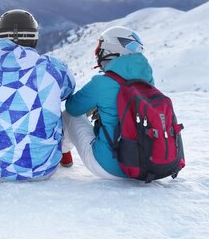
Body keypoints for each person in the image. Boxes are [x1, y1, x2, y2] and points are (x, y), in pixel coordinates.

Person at [0, 9, 75, 182]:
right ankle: (64, 154)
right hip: (45, 170)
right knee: (63, 113)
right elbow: (68, 91)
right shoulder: (55, 68)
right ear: (34, 37)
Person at [61, 26, 154, 179]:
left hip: (109, 167)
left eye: (101, 49)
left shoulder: (102, 83)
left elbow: (72, 108)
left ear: (112, 51)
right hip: (145, 164)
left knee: (69, 116)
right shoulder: (148, 80)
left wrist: (97, 104)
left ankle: (64, 155)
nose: (98, 54)